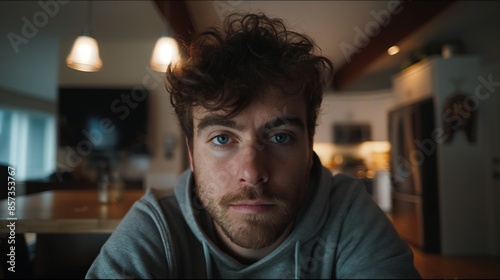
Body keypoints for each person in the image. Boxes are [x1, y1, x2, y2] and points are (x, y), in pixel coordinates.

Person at [86, 13, 421, 279]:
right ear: (191, 153)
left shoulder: (348, 214)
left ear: (309, 147)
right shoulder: (157, 227)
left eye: (280, 137)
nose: (253, 173)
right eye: (222, 139)